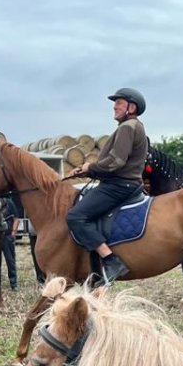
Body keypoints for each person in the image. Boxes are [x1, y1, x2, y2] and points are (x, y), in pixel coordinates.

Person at [65, 87, 148, 283]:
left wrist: (90, 167)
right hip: (123, 183)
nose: (114, 106)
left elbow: (115, 162)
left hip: (119, 185)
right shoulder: (132, 126)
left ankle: (111, 261)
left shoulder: (128, 127)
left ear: (131, 107)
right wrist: (87, 169)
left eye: (119, 102)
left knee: (76, 216)